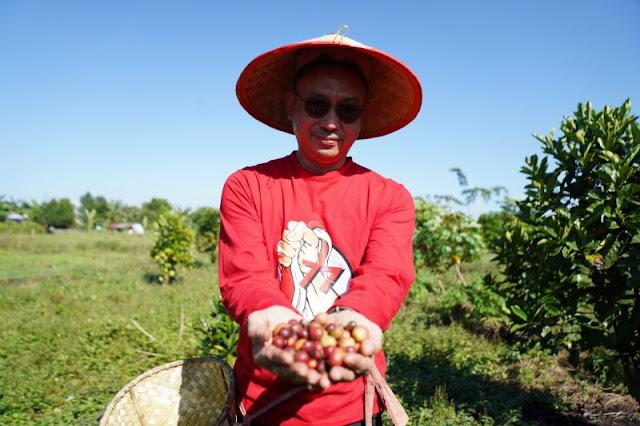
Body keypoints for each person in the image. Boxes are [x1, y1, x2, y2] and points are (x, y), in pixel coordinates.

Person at [219, 29, 422, 426]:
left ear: (361, 118)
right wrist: (271, 317)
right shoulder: (247, 185)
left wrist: (356, 317)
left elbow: (386, 274)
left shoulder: (390, 197)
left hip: (352, 407)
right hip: (262, 402)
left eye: (347, 111)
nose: (331, 122)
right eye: (317, 105)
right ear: (292, 106)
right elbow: (243, 274)